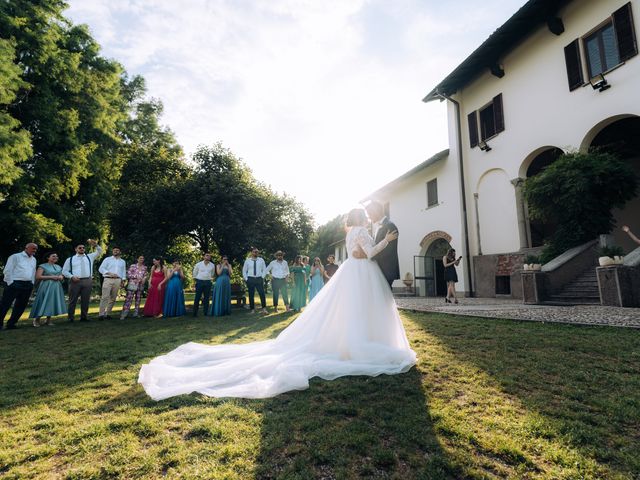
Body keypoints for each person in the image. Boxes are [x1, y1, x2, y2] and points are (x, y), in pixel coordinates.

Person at [139, 207, 415, 400]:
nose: (368, 218)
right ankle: (361, 343)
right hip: (362, 273)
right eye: (366, 216)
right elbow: (367, 253)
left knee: (349, 310)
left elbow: (355, 252)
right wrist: (387, 242)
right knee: (362, 309)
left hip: (352, 274)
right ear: (362, 218)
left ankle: (352, 341)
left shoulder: (350, 232)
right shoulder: (363, 232)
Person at [62, 239, 103, 322]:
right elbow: (64, 271)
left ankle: (84, 317)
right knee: (72, 300)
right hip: (75, 281)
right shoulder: (70, 259)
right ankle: (70, 318)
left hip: (87, 280)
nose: (82, 249)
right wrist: (71, 276)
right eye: (80, 248)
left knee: (85, 300)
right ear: (76, 249)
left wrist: (95, 245)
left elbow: (99, 251)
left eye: (83, 248)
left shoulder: (90, 257)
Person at [0, 243, 38, 330]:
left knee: (21, 305)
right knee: (5, 304)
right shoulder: (15, 257)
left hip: (27, 284)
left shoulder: (34, 259)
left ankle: (11, 324)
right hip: (14, 283)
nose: (34, 251)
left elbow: (33, 272)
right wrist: (10, 283)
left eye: (35, 249)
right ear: (26, 248)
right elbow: (7, 270)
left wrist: (32, 283)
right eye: (33, 249)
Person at [365, 201, 399, 289]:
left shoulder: (390, 226)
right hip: (379, 268)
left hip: (386, 268)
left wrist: (371, 257)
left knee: (385, 295)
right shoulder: (378, 226)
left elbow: (389, 250)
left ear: (376, 212)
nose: (369, 216)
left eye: (369, 213)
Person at [30, 252, 66, 326]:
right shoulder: (42, 266)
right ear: (48, 258)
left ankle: (48, 320)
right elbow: (38, 277)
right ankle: (36, 320)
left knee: (51, 302)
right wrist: (51, 277)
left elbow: (62, 275)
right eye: (53, 256)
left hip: (56, 287)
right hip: (46, 286)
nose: (55, 257)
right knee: (43, 301)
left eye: (56, 256)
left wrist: (61, 277)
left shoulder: (58, 266)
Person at [98, 246, 126, 320]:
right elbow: (101, 269)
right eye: (114, 250)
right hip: (108, 279)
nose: (115, 251)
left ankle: (107, 314)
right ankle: (101, 314)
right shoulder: (107, 259)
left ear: (120, 252)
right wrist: (109, 273)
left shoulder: (122, 261)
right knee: (105, 297)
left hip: (117, 280)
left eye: (117, 250)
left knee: (113, 298)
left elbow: (123, 272)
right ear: (112, 251)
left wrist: (123, 280)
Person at [242, 247, 268, 314]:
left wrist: (262, 277)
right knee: (251, 295)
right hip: (250, 279)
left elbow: (264, 270)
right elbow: (244, 271)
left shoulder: (261, 260)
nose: (256, 253)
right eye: (254, 251)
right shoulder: (247, 260)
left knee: (262, 294)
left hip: (259, 279)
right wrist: (246, 279)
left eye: (257, 252)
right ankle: (252, 309)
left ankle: (264, 309)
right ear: (251, 252)